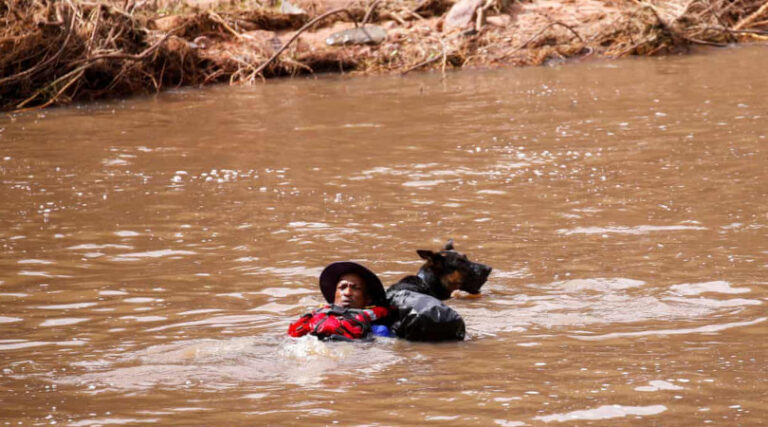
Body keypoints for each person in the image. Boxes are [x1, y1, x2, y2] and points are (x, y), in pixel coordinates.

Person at [288, 261, 393, 341]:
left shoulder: (378, 330)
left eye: (355, 288)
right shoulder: (313, 319)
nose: (347, 292)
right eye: (342, 287)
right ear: (334, 294)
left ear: (368, 299)